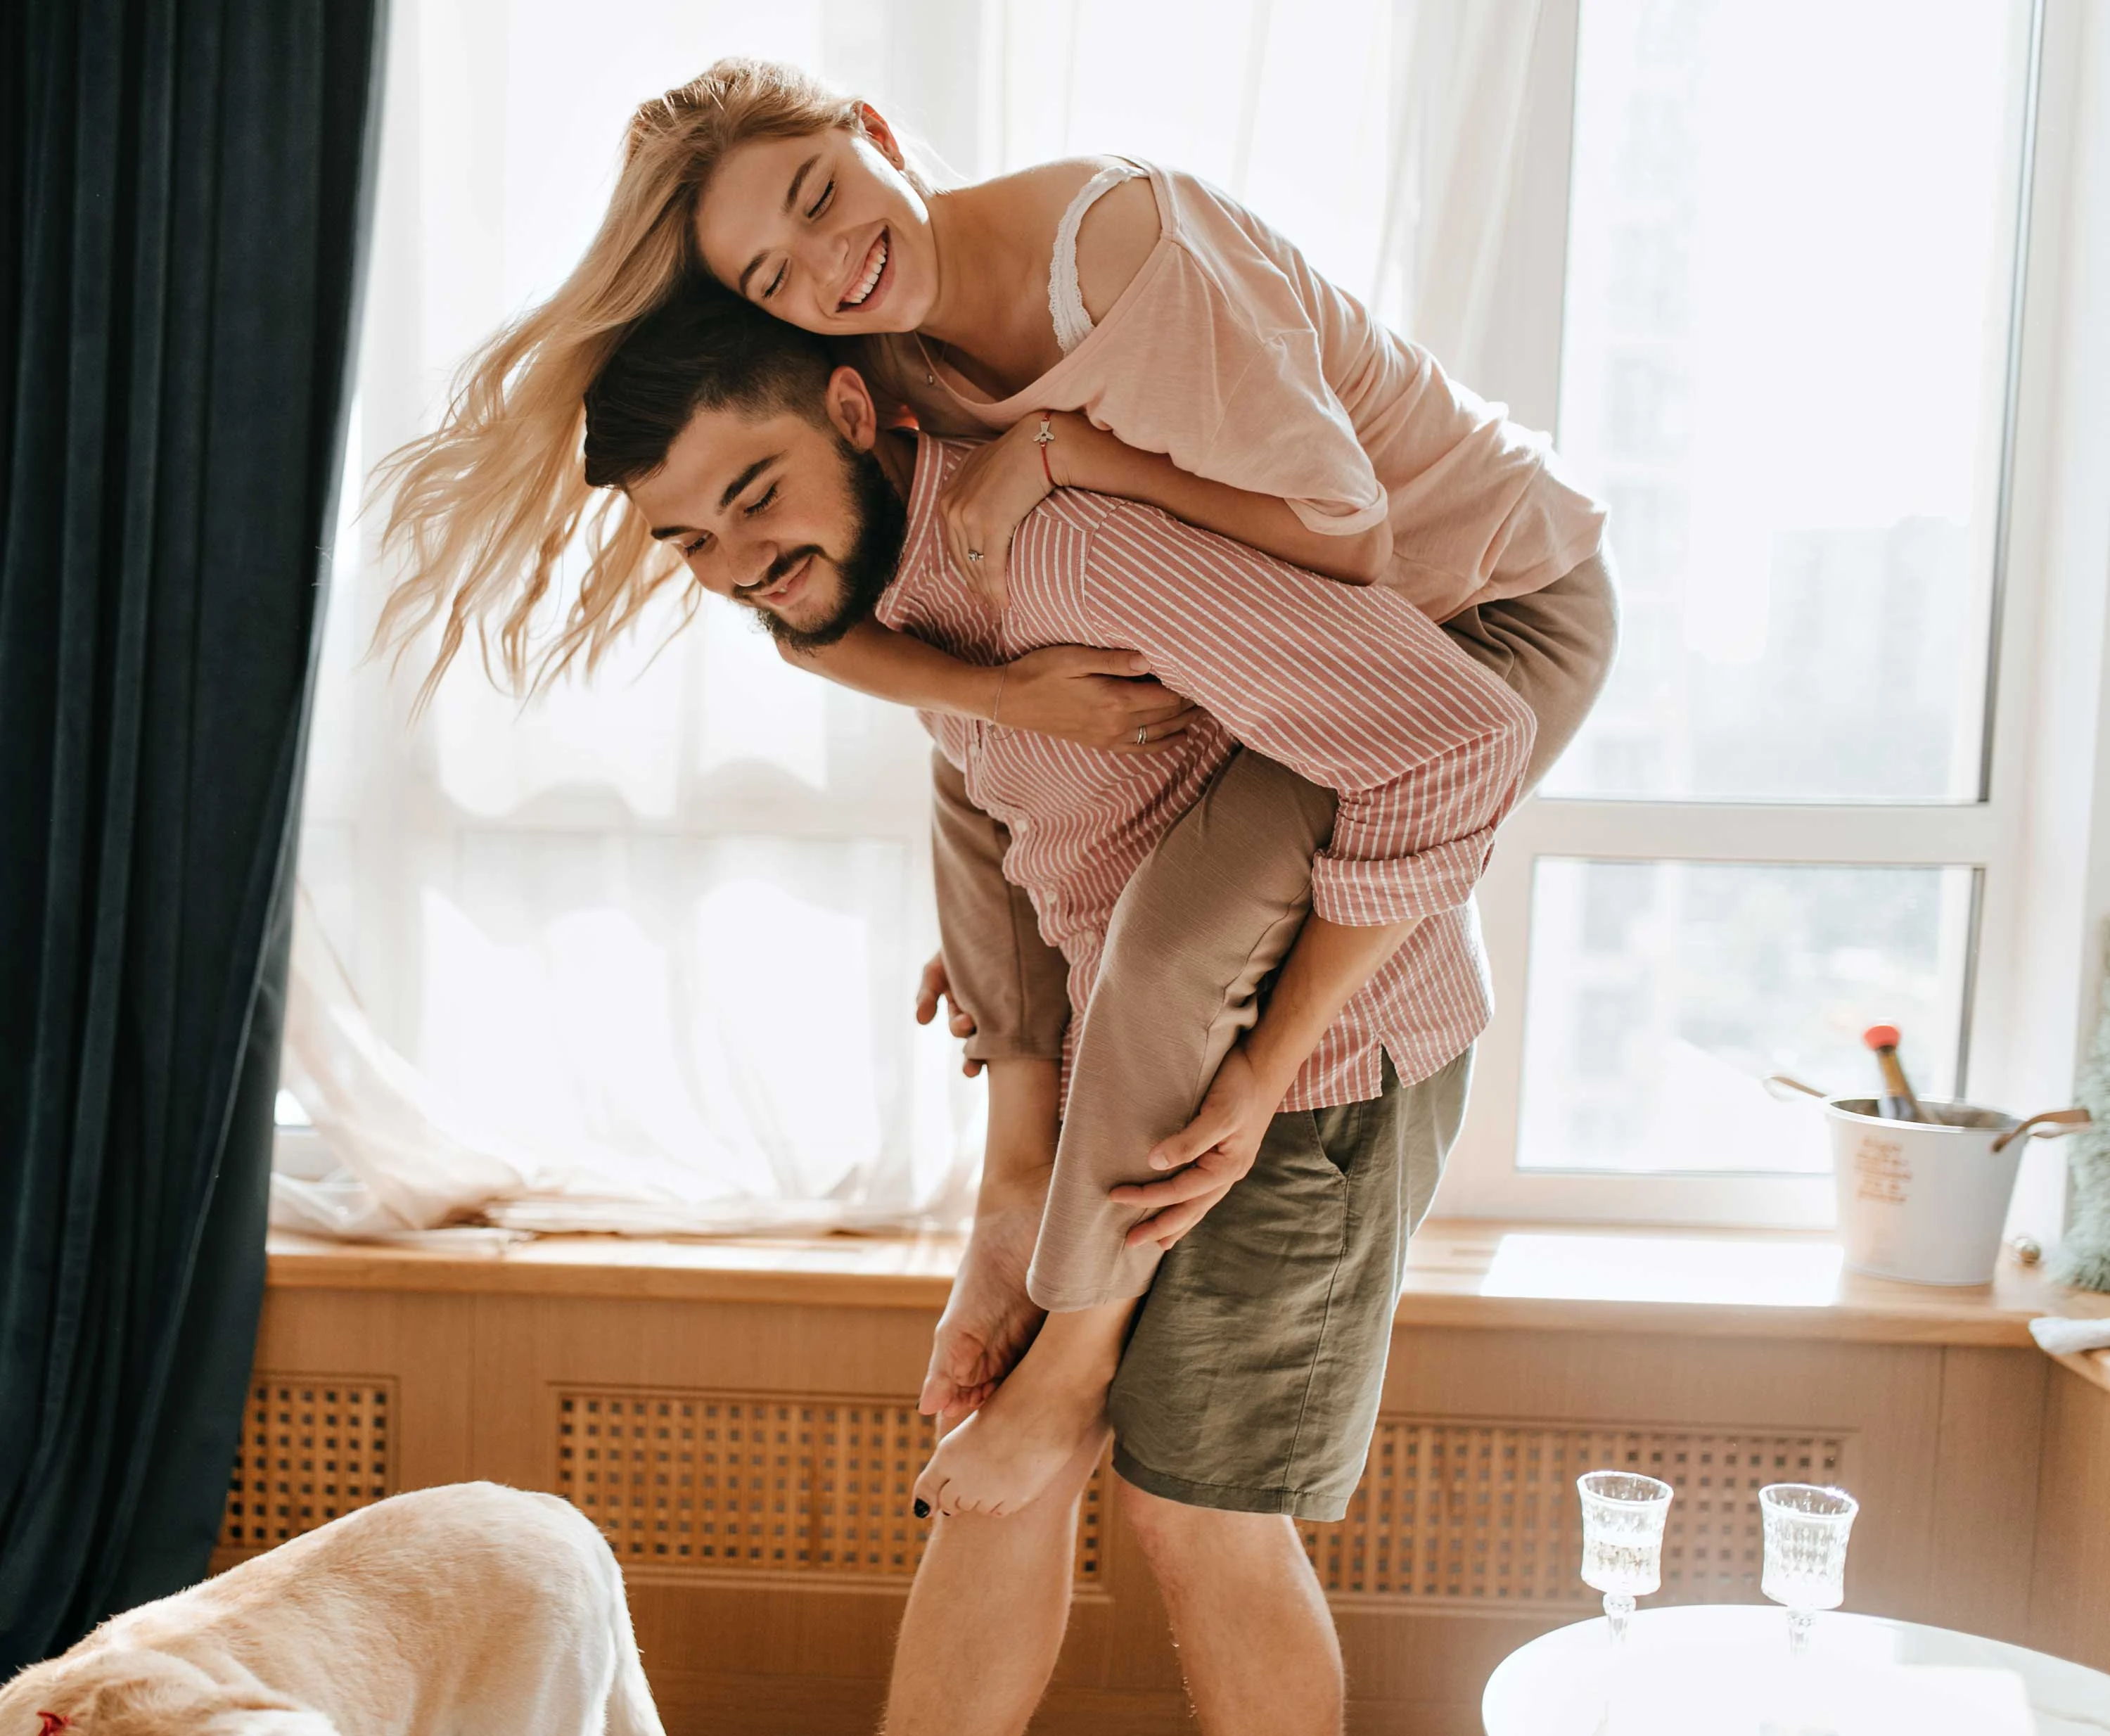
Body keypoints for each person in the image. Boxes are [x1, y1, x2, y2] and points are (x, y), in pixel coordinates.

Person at [372, 56, 1615, 1445]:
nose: (827, 266)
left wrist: (1070, 452)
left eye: (819, 196)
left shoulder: (1123, 248)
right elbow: (824, 632)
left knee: (1176, 937)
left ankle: (1072, 1354)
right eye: (774, 275)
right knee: (974, 759)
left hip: (1490, 594)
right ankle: (1016, 1199)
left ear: (873, 130)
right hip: (1320, 641)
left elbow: (1351, 540)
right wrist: (1019, 718)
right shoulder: (879, 345)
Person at [569, 283, 1531, 1735]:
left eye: (754, 497)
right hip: (1119, 1062)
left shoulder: (1062, 548)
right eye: (691, 540)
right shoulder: (890, 591)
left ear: (852, 412)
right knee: (998, 1462)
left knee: (1195, 1508)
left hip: (1314, 1071)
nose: (739, 565)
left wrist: (1263, 1065)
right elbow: (997, 784)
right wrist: (1028, 973)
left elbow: (1457, 736)